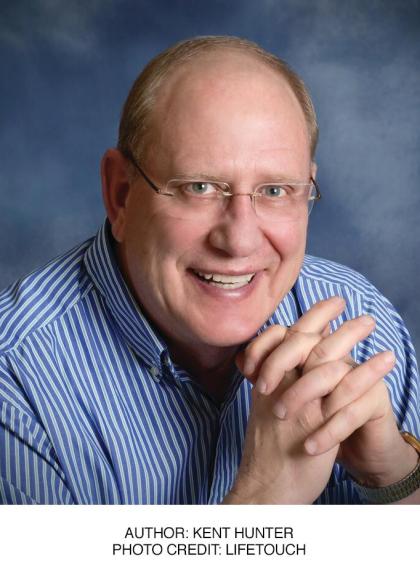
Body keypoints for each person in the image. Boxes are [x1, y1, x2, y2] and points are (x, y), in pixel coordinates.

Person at [0, 36, 419, 505]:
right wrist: (265, 498)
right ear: (121, 194)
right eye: (199, 187)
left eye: (275, 191)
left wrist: (394, 475)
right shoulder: (13, 386)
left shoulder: (359, 322)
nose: (239, 240)